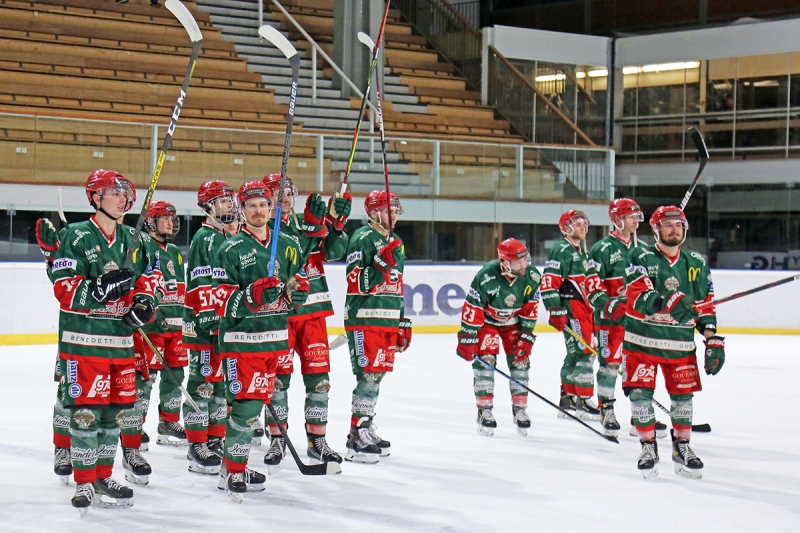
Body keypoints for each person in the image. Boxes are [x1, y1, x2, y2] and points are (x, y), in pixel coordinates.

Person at [52, 170, 160, 513]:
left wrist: (145, 304)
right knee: (86, 414)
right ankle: (84, 482)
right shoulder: (76, 235)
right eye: (115, 193)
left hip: (120, 344)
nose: (123, 199)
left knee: (113, 416)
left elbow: (149, 279)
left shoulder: (135, 238)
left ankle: (102, 476)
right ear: (95, 197)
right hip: (84, 344)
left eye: (125, 194)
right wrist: (97, 287)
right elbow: (62, 286)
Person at [212, 181, 308, 501]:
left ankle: (229, 466)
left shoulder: (288, 244)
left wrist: (296, 292)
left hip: (275, 340)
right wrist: (252, 296)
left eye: (264, 204)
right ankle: (235, 471)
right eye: (251, 205)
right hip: (242, 341)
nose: (258, 210)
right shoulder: (230, 248)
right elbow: (219, 298)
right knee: (247, 407)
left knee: (252, 405)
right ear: (242, 210)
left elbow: (296, 283)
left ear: (271, 208)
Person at [622, 206, 723, 479]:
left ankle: (682, 447)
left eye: (678, 224)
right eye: (667, 225)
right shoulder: (639, 255)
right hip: (641, 342)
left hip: (680, 345)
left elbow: (705, 305)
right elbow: (637, 295)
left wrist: (711, 338)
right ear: (656, 230)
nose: (674, 229)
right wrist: (668, 301)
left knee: (683, 398)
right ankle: (648, 446)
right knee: (640, 395)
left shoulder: (697, 262)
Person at [260, 174, 351, 472]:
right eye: (278, 193)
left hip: (313, 313)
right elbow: (292, 259)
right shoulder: (263, 229)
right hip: (280, 314)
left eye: (289, 192)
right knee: (278, 381)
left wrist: (337, 224)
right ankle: (278, 439)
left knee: (319, 380)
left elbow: (334, 253)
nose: (285, 198)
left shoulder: (305, 220)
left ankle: (317, 440)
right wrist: (313, 229)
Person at [342, 190, 411, 463]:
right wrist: (380, 264)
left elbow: (398, 283)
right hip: (364, 317)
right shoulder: (362, 238)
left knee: (378, 375)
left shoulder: (397, 242)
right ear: (372, 212)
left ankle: (366, 424)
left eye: (395, 210)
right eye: (387, 210)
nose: (393, 215)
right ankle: (356, 435)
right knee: (368, 375)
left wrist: (402, 320)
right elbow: (354, 282)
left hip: (387, 318)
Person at [456, 238, 542, 436]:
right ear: (505, 262)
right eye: (518, 262)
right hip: (488, 323)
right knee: (486, 361)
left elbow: (531, 308)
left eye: (525, 260)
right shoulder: (487, 276)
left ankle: (520, 409)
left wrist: (527, 334)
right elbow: (473, 306)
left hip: (513, 323)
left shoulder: (532, 276)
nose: (523, 265)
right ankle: (484, 410)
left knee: (520, 360)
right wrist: (468, 335)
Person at [182, 180, 238, 475]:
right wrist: (211, 319)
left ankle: (215, 437)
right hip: (205, 326)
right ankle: (196, 444)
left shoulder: (224, 236)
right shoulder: (206, 237)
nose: (229, 205)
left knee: (219, 386)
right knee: (202, 383)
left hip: (221, 324)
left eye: (230, 200)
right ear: (208, 206)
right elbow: (201, 282)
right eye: (223, 200)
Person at [133, 201, 189, 450]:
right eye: (163, 218)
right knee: (146, 378)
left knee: (176, 375)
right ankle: (135, 425)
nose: (170, 222)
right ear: (150, 222)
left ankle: (169, 422)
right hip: (153, 327)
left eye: (172, 218)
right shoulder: (142, 246)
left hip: (176, 327)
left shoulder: (175, 251)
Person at [586, 198, 642, 436]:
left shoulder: (643, 249)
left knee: (638, 366)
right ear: (618, 219)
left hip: (637, 322)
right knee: (610, 365)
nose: (636, 221)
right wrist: (612, 307)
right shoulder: (602, 249)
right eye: (631, 217)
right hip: (610, 321)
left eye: (637, 216)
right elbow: (592, 288)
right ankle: (606, 410)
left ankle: (640, 414)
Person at [541, 210, 601, 420]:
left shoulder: (583, 252)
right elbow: (549, 282)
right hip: (573, 308)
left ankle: (568, 399)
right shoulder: (562, 250)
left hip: (584, 308)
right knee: (585, 351)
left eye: (584, 223)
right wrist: (555, 309)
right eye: (577, 224)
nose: (583, 227)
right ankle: (583, 400)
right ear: (566, 228)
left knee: (576, 352)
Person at [35, 216, 72, 482]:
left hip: (112, 336)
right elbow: (59, 279)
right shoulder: (80, 241)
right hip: (75, 336)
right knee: (67, 394)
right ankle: (63, 448)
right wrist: (52, 256)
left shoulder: (124, 241)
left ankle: (98, 458)